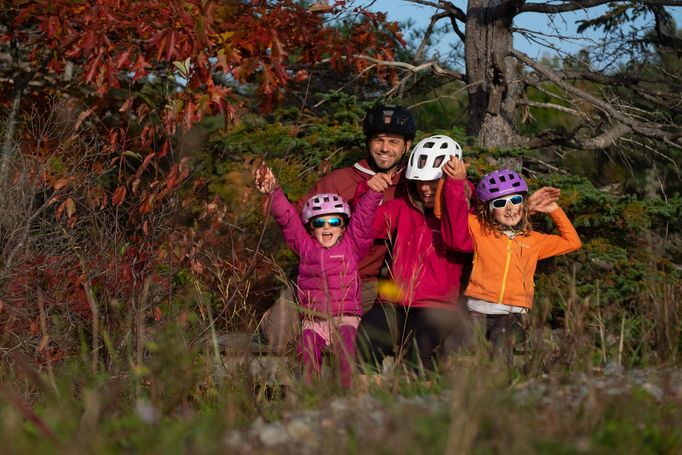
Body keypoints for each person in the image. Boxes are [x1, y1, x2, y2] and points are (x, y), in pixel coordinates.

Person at [260, 104, 417, 352]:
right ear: (369, 142)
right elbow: (297, 222)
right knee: (275, 336)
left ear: (407, 146)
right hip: (318, 278)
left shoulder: (411, 185)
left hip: (369, 284)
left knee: (372, 340)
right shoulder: (340, 180)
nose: (385, 148)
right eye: (378, 140)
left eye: (393, 141)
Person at [255, 163, 389, 388]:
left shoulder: (351, 246)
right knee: (305, 348)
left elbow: (363, 219)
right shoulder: (305, 247)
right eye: (319, 222)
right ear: (310, 228)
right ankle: (312, 392)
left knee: (348, 346)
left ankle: (345, 391)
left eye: (334, 222)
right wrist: (273, 191)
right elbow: (287, 219)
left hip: (345, 318)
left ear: (343, 226)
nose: (327, 227)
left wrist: (374, 192)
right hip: (313, 320)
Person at [357, 135, 474, 371]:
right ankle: (364, 403)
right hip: (393, 301)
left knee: (417, 360)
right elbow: (364, 230)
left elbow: (459, 243)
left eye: (433, 182)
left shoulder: (465, 208)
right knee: (362, 347)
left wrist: (454, 188)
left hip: (436, 307)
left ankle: (422, 405)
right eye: (420, 181)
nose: (425, 189)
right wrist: (369, 194)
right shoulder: (403, 207)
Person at [443, 167, 582, 357]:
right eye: (500, 203)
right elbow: (449, 214)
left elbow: (572, 242)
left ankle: (505, 385)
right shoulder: (480, 229)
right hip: (477, 311)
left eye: (515, 200)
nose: (509, 208)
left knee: (501, 350)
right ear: (489, 210)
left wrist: (554, 210)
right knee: (452, 347)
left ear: (523, 204)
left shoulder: (534, 240)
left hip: (512, 314)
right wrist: (455, 181)